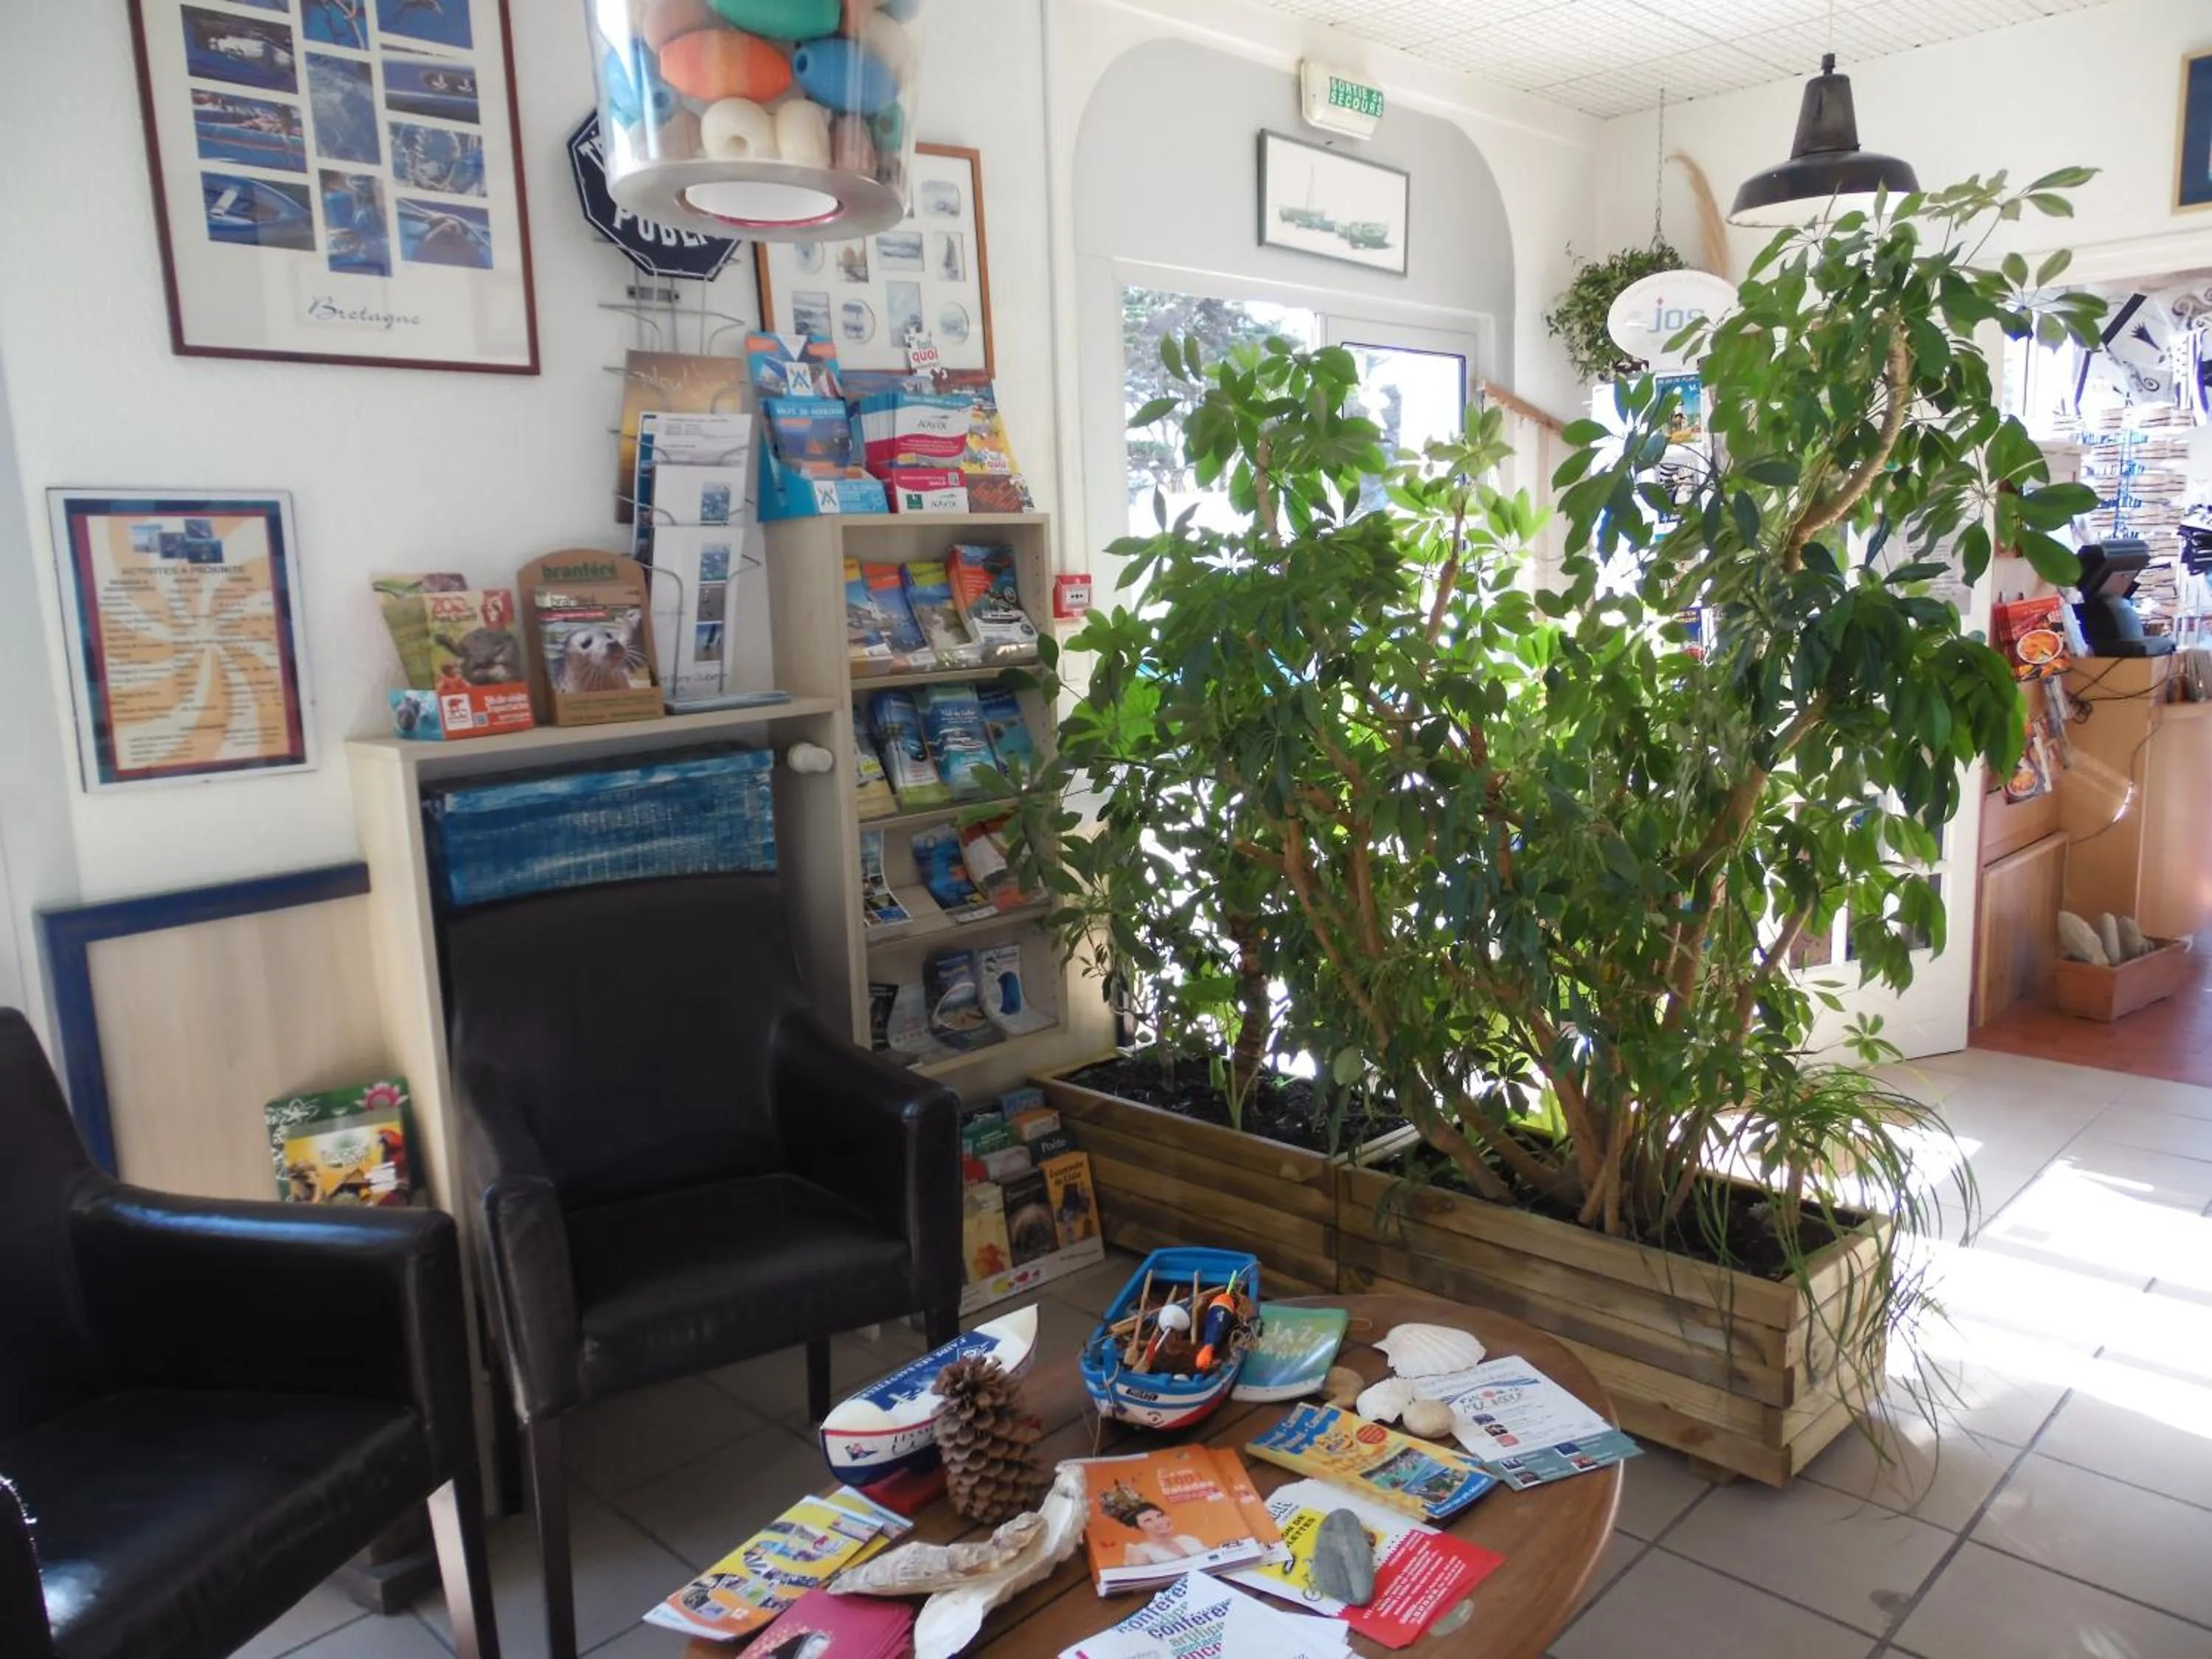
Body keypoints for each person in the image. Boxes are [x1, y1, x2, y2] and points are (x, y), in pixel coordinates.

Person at [1099, 1483, 1206, 1567]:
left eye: (1160, 1516)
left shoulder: (1188, 1540)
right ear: (1136, 1527)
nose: (1160, 1522)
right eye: (1148, 1520)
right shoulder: (1141, 1552)